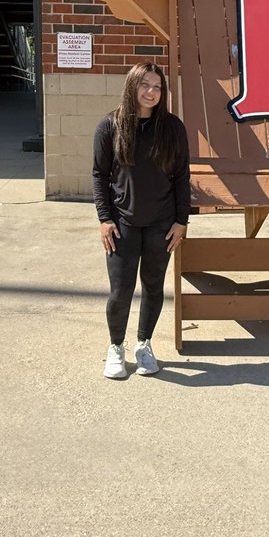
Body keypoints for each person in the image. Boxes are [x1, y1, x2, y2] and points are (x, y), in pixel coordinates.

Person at [92, 62, 190, 379]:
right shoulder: (110, 126)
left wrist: (181, 221)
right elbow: (99, 175)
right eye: (144, 85)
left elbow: (181, 178)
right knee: (120, 292)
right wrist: (105, 218)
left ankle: (144, 344)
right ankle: (116, 347)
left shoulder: (173, 128)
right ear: (132, 87)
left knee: (152, 287)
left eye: (157, 87)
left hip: (161, 225)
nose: (150, 92)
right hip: (122, 224)